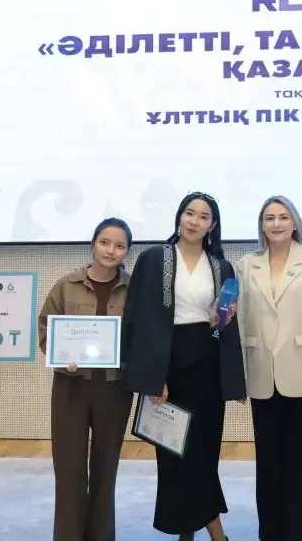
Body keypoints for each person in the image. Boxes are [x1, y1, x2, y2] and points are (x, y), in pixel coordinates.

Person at [124, 192, 244, 541]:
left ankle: (198, 529)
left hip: (206, 361)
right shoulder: (153, 259)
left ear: (212, 225)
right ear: (179, 217)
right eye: (189, 213)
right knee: (174, 450)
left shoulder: (221, 266)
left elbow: (224, 325)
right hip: (168, 362)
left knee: (205, 451)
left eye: (203, 216)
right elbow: (139, 319)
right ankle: (202, 531)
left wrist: (218, 321)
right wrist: (152, 376)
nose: (194, 221)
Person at [237, 195, 302, 541]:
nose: (276, 224)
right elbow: (239, 317)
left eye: (282, 217)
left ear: (295, 222)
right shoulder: (247, 264)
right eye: (269, 218)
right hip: (262, 376)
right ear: (261, 225)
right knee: (269, 467)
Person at [38, 218, 135, 541]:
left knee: (106, 468)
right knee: (69, 469)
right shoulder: (66, 286)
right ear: (93, 243)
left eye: (120, 246)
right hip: (71, 386)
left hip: (115, 388)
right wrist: (60, 357)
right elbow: (44, 329)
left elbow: (144, 336)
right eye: (105, 242)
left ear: (127, 252)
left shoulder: (135, 289)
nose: (111, 250)